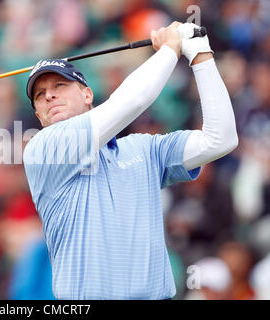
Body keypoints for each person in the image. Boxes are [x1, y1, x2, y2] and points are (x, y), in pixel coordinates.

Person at [22, 22, 238, 300]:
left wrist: (200, 54)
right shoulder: (43, 150)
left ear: (87, 94)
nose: (49, 94)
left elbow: (221, 139)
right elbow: (130, 102)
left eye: (60, 85)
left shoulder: (142, 148)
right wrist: (170, 51)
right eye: (40, 95)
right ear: (39, 116)